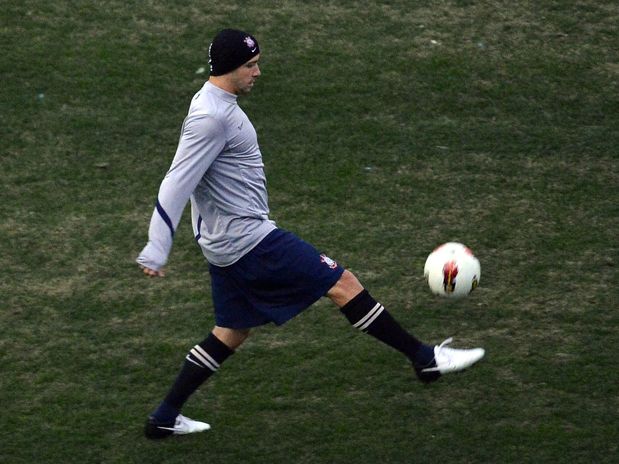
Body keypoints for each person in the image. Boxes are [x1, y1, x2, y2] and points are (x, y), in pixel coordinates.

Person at [137, 28, 485, 439]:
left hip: (226, 243)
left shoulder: (214, 103)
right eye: (250, 65)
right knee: (341, 283)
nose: (258, 72)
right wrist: (157, 247)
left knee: (232, 331)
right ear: (230, 68)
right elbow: (175, 183)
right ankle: (424, 357)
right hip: (248, 241)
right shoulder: (211, 118)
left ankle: (164, 417)